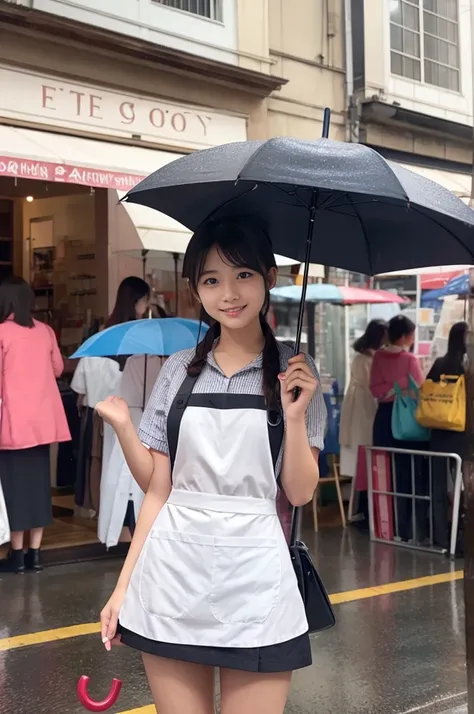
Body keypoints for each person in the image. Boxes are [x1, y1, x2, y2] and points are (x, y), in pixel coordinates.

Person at [95, 218, 327, 714]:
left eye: (243, 275)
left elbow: (301, 492)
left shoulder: (296, 374)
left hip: (258, 575)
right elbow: (159, 490)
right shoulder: (179, 369)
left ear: (270, 278)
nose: (229, 293)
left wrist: (295, 414)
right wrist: (122, 588)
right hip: (172, 575)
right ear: (196, 289)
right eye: (211, 279)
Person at [0, 277, 71, 573]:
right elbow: (58, 368)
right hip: (42, 423)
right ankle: (36, 553)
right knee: (40, 487)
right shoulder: (44, 331)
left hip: (13, 422)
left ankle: (16, 555)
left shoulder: (2, 332)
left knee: (14, 488)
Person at [71, 276, 150, 513]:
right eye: (146, 301)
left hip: (95, 417)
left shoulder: (100, 339)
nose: (146, 308)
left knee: (101, 471)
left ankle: (104, 520)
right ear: (137, 302)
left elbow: (80, 393)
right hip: (129, 420)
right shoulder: (141, 344)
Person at [98, 354, 165, 548]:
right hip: (142, 416)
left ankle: (131, 533)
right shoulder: (162, 361)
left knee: (127, 478)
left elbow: (123, 390)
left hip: (136, 415)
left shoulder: (135, 362)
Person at [370, 314, 425, 542]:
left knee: (384, 475)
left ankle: (385, 528)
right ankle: (408, 530)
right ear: (403, 337)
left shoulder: (377, 358)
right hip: (406, 420)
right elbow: (419, 387)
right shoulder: (411, 360)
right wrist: (401, 384)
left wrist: (390, 388)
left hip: (383, 418)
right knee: (408, 475)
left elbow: (375, 389)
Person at [339, 320, 387, 521]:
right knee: (366, 448)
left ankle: (359, 507)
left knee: (361, 448)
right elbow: (372, 386)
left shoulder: (363, 355)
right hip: (365, 404)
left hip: (357, 403)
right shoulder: (369, 358)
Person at [426, 321, 467, 550]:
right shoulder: (467, 366)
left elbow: (427, 389)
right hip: (463, 435)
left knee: (438, 487)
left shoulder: (440, 363)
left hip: (439, 432)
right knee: (465, 489)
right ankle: (460, 538)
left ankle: (440, 537)